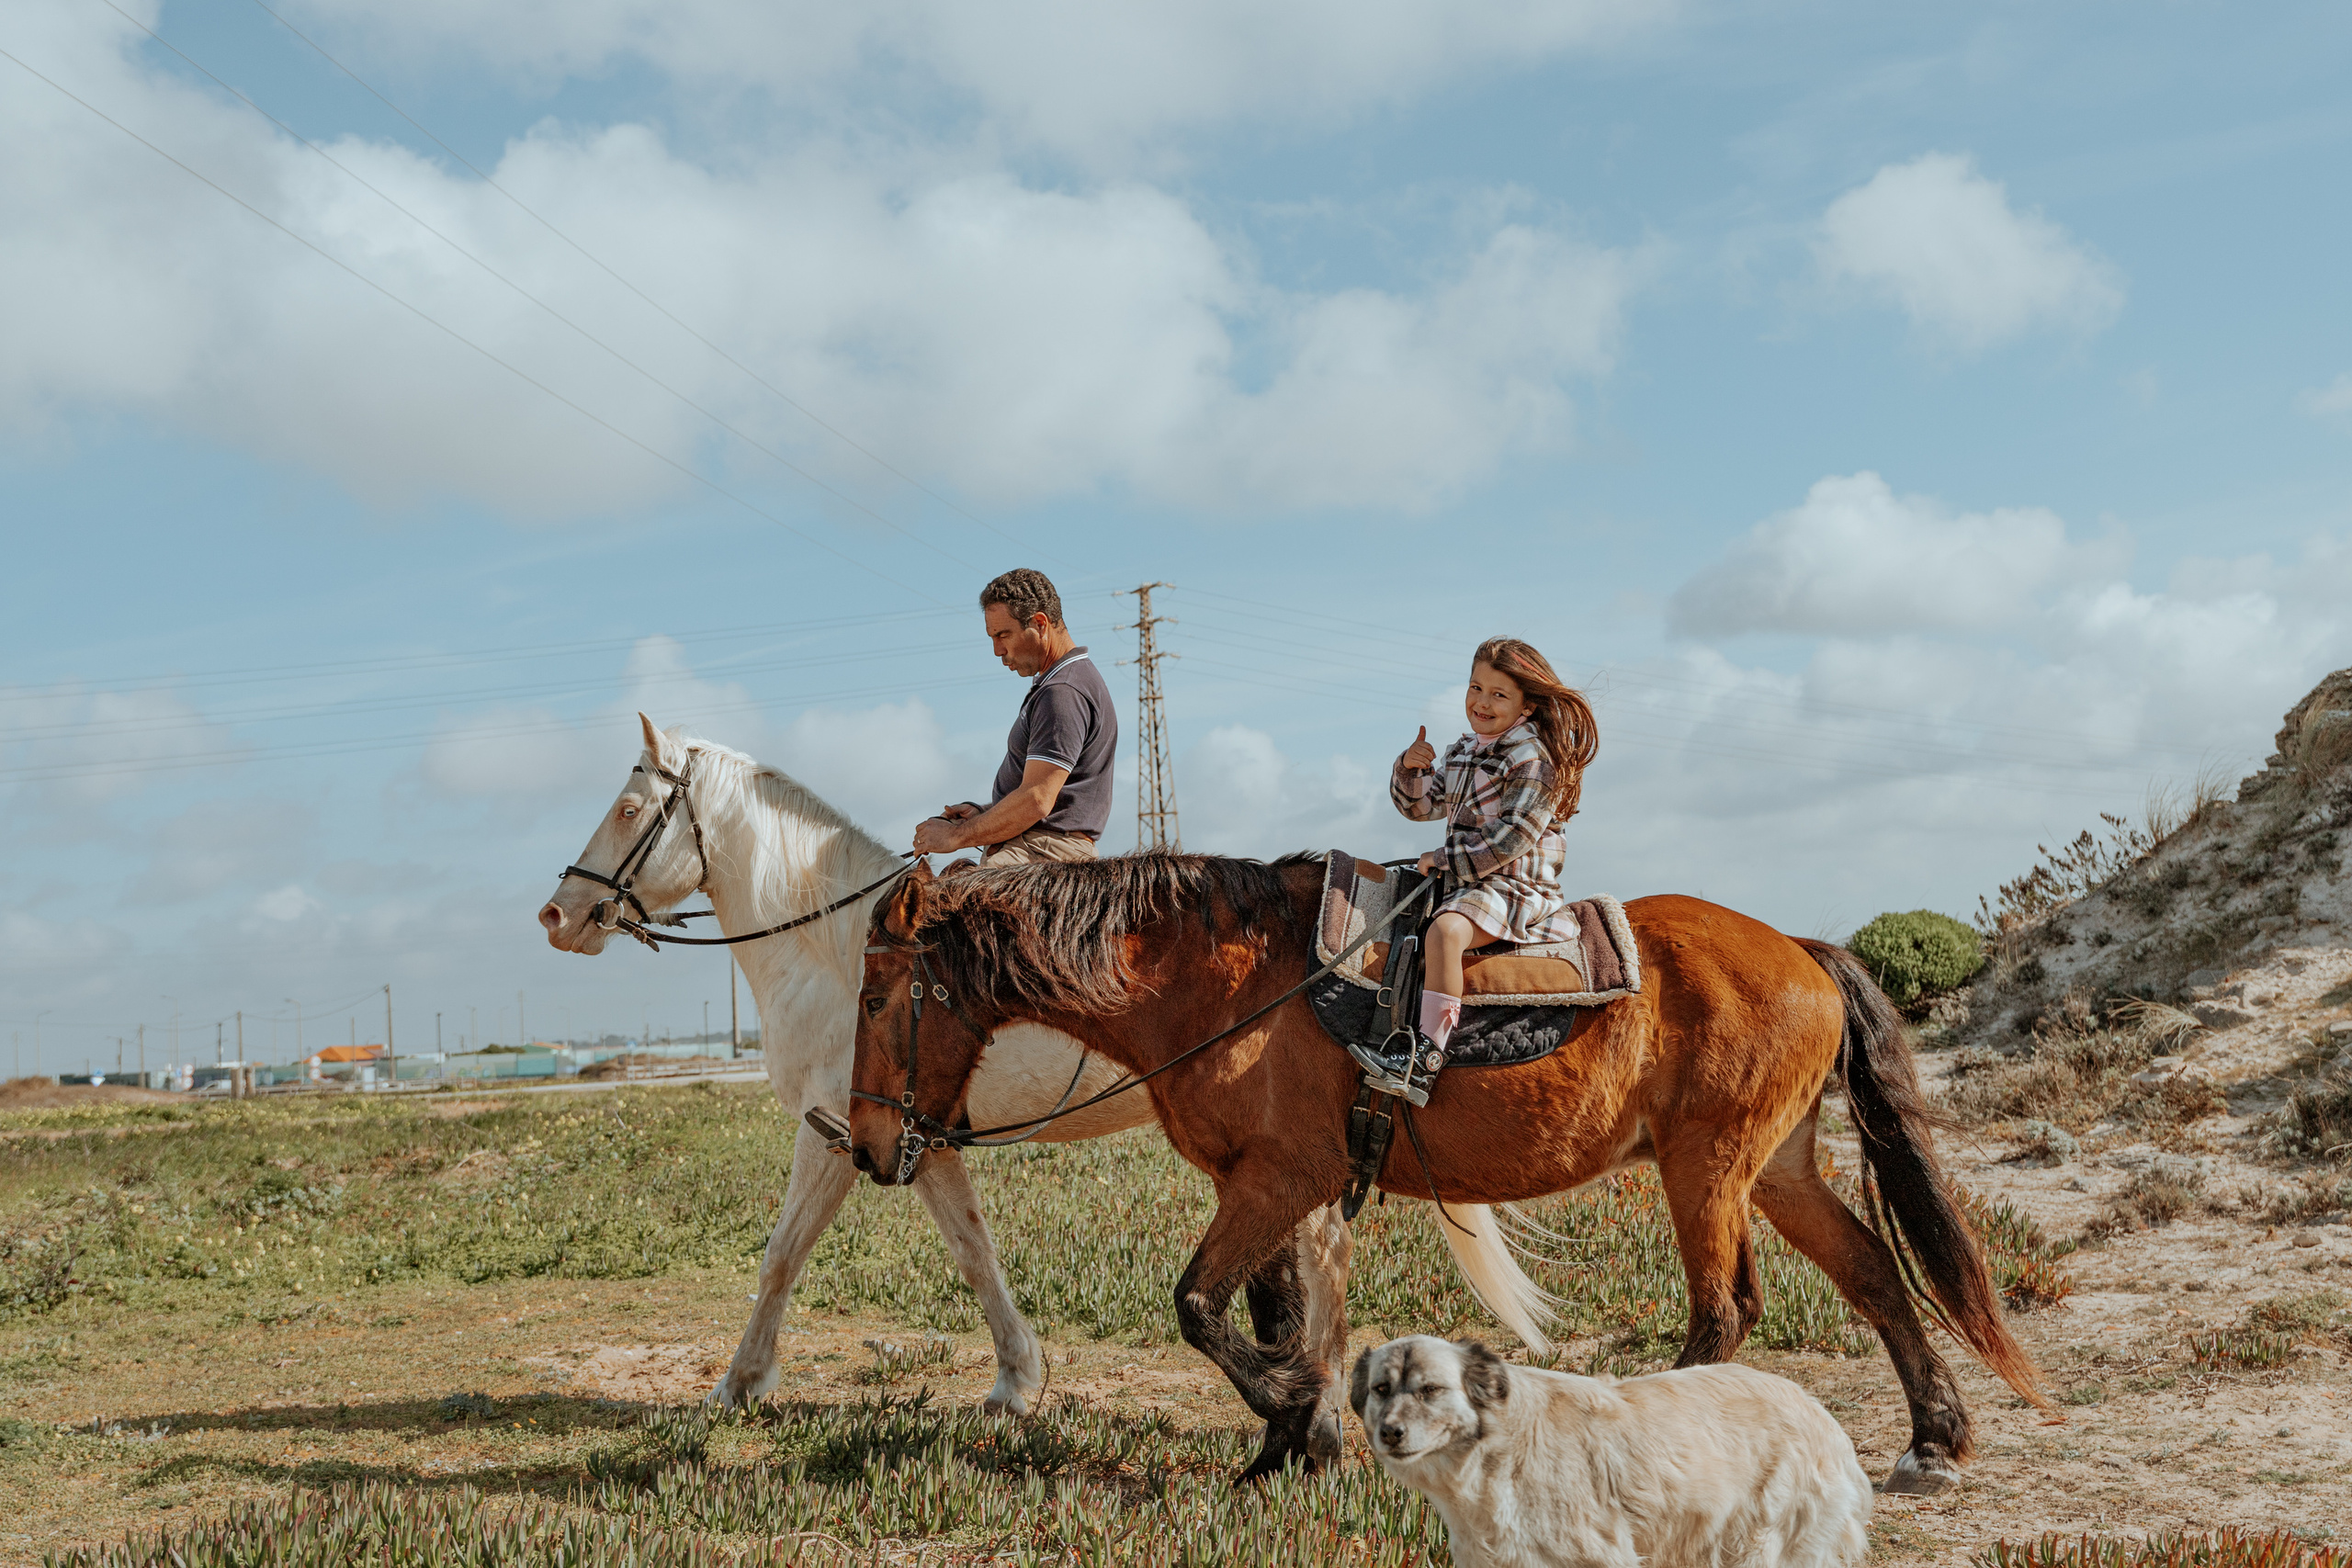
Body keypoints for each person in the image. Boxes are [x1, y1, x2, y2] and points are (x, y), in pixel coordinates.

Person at [1353, 637, 1598, 1103]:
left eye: (1498, 694)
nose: (1482, 702)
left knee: (1445, 933)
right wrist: (1410, 770)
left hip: (1513, 882)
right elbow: (1420, 807)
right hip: (1468, 878)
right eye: (1475, 687)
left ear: (1527, 703)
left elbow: (1510, 841)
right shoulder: (1464, 749)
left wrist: (1444, 860)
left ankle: (1425, 1058)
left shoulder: (1533, 760)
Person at [911, 569, 1118, 865]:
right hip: (1037, 847)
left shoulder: (1062, 692)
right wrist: (986, 813)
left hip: (1040, 853)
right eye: (992, 637)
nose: (997, 650)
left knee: (945, 908)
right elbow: (1050, 797)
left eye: (1003, 635)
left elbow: (1036, 799)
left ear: (1039, 623)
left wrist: (956, 837)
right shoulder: (1064, 682)